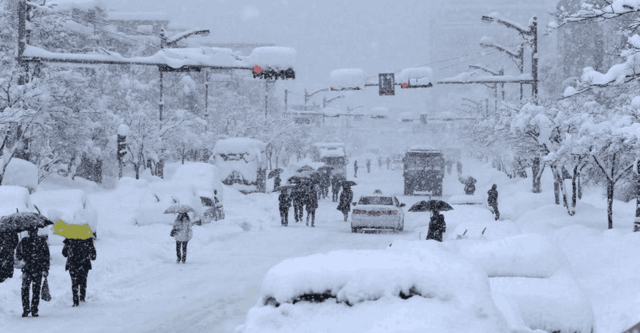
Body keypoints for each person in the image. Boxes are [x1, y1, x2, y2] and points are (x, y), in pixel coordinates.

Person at [15, 227, 50, 317]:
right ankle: (32, 309)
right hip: (34, 269)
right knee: (32, 290)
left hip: (30, 269)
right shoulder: (39, 241)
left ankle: (29, 309)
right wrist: (45, 268)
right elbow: (46, 256)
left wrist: (23, 258)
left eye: (33, 231)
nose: (32, 232)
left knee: (28, 290)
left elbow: (46, 255)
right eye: (32, 231)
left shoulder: (26, 241)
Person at [62, 237, 97, 307]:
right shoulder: (87, 238)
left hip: (73, 264)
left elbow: (64, 253)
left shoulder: (70, 238)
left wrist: (68, 249)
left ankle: (76, 301)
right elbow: (93, 256)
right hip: (83, 264)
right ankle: (81, 299)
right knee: (83, 282)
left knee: (75, 282)